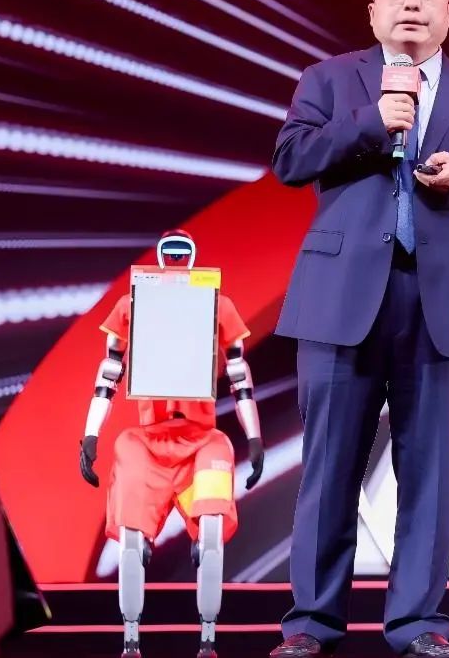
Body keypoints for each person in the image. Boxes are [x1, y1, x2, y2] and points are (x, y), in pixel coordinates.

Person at [269, 0, 449, 658]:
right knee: (330, 468)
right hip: (341, 301)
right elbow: (291, 159)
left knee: (429, 473)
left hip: (441, 304)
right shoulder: (330, 81)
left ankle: (418, 624)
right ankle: (311, 624)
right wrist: (372, 121)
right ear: (373, 11)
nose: (412, 1)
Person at [77, 229, 264, 658]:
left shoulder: (218, 305)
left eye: (183, 253)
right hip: (146, 443)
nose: (177, 260)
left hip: (202, 443)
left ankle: (208, 637)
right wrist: (91, 433)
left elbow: (240, 376)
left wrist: (254, 437)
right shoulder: (131, 306)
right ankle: (131, 637)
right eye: (171, 252)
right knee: (131, 539)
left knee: (211, 533)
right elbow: (109, 372)